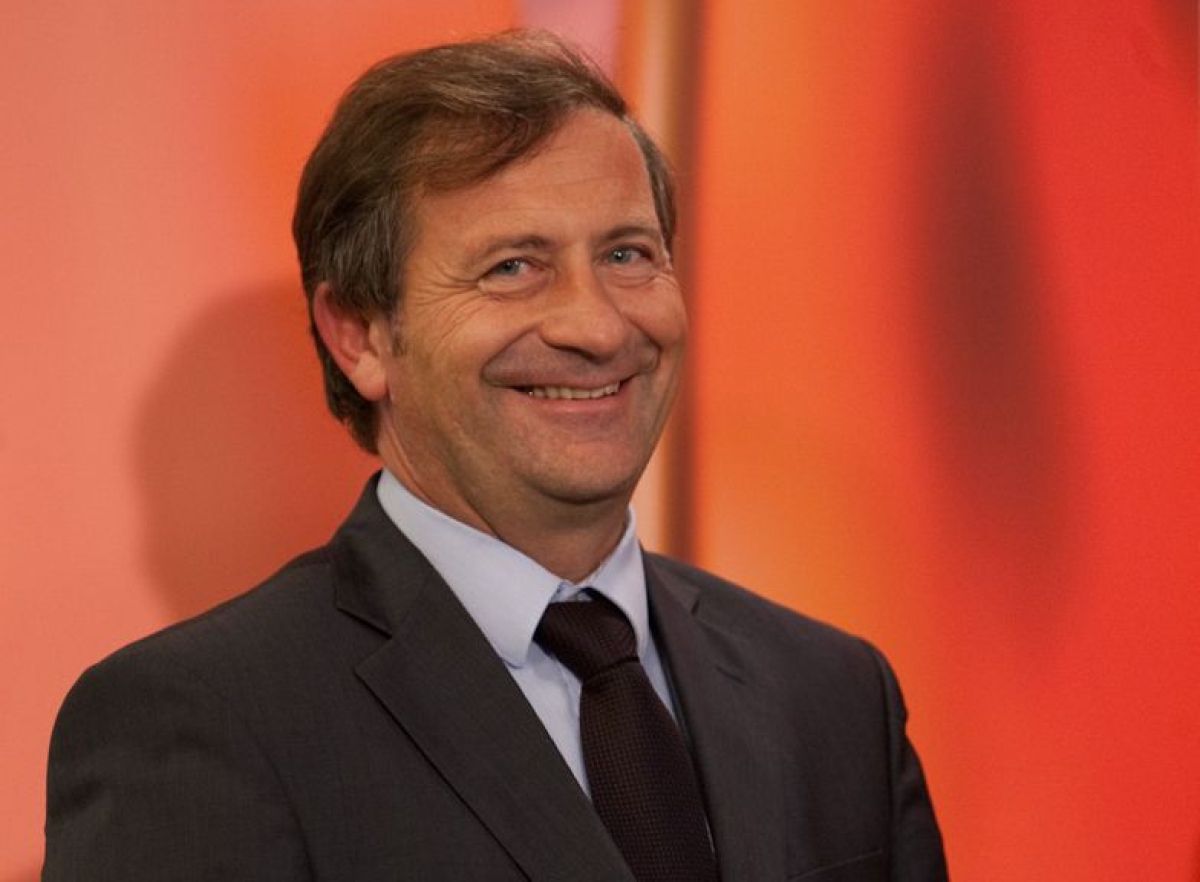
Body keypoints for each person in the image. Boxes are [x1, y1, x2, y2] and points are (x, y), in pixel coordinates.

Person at [43, 31, 947, 881]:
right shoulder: (201, 723)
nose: (597, 326)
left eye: (627, 254)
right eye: (513, 267)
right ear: (360, 334)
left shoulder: (833, 694)